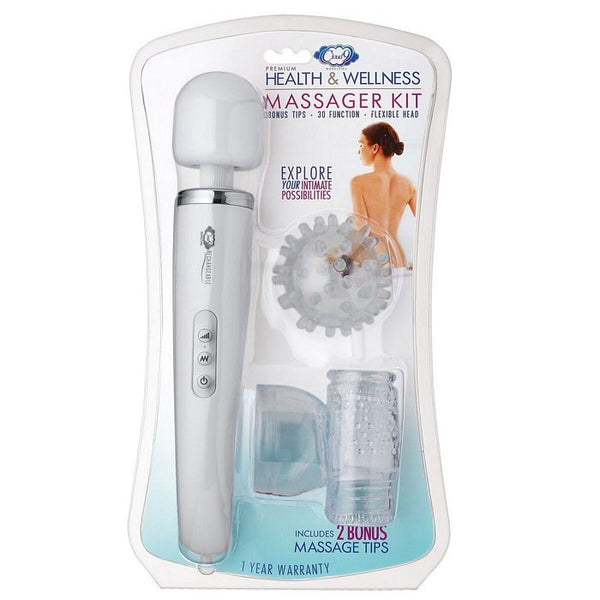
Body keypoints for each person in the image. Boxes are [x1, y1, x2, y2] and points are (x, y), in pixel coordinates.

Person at [351, 122, 416, 267]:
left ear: (375, 148)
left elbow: (361, 229)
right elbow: (425, 224)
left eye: (361, 145)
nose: (358, 151)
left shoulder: (358, 183)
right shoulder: (408, 183)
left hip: (374, 259)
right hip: (398, 257)